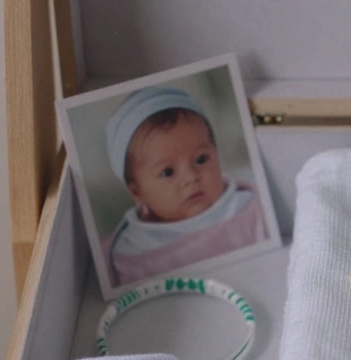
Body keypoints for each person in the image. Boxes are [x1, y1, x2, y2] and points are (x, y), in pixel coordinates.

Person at [101, 86, 267, 287]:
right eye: (168, 172)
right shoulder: (129, 251)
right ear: (137, 192)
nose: (191, 177)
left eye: (201, 159)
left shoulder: (250, 207)